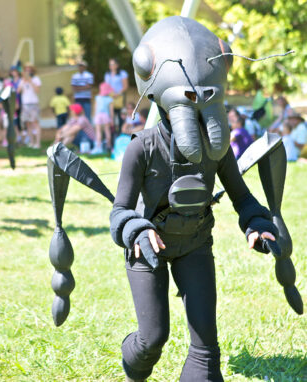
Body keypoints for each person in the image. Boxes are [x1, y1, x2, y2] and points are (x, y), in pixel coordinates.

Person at [109, 16, 278, 382]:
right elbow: (119, 212)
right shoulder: (141, 149)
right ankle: (133, 368)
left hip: (195, 244)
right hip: (148, 248)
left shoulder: (218, 148)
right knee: (153, 339)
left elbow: (243, 199)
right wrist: (137, 230)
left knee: (206, 352)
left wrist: (258, 225)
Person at [17, 62, 42, 148]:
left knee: (35, 123)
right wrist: (23, 81)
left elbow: (37, 90)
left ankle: (37, 143)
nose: (28, 71)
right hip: (25, 104)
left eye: (29, 69)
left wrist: (30, 81)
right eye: (26, 69)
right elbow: (18, 91)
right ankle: (31, 142)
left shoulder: (36, 79)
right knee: (28, 124)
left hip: (33, 103)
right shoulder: (22, 80)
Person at [104, 58, 129, 131]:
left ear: (117, 65)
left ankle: (122, 132)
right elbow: (106, 86)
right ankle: (112, 135)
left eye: (112, 64)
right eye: (110, 64)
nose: (111, 66)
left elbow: (125, 86)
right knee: (111, 117)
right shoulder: (107, 74)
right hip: (110, 98)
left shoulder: (122, 73)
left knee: (121, 116)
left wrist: (117, 94)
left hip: (120, 98)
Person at [91, 82, 114, 154]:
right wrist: (112, 119)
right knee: (107, 131)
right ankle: (109, 146)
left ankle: (98, 147)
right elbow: (111, 111)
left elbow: (95, 108)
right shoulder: (110, 99)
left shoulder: (97, 97)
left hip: (98, 115)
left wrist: (94, 116)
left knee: (98, 131)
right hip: (106, 115)